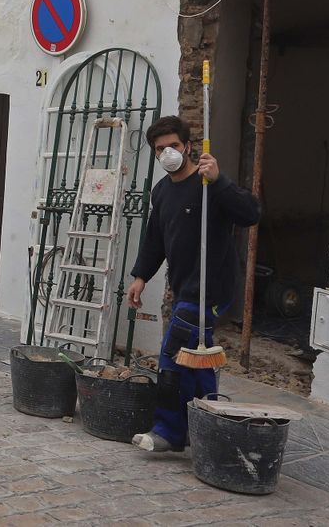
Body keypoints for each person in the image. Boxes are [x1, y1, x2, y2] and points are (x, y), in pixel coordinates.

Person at [127, 115, 261, 453]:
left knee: (172, 355)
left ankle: (169, 432)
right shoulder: (161, 191)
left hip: (210, 287)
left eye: (173, 145)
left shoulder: (208, 184)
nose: (167, 153)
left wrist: (219, 182)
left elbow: (251, 213)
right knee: (196, 361)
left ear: (188, 146)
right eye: (160, 149)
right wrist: (141, 277)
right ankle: (210, 425)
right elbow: (155, 239)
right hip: (184, 285)